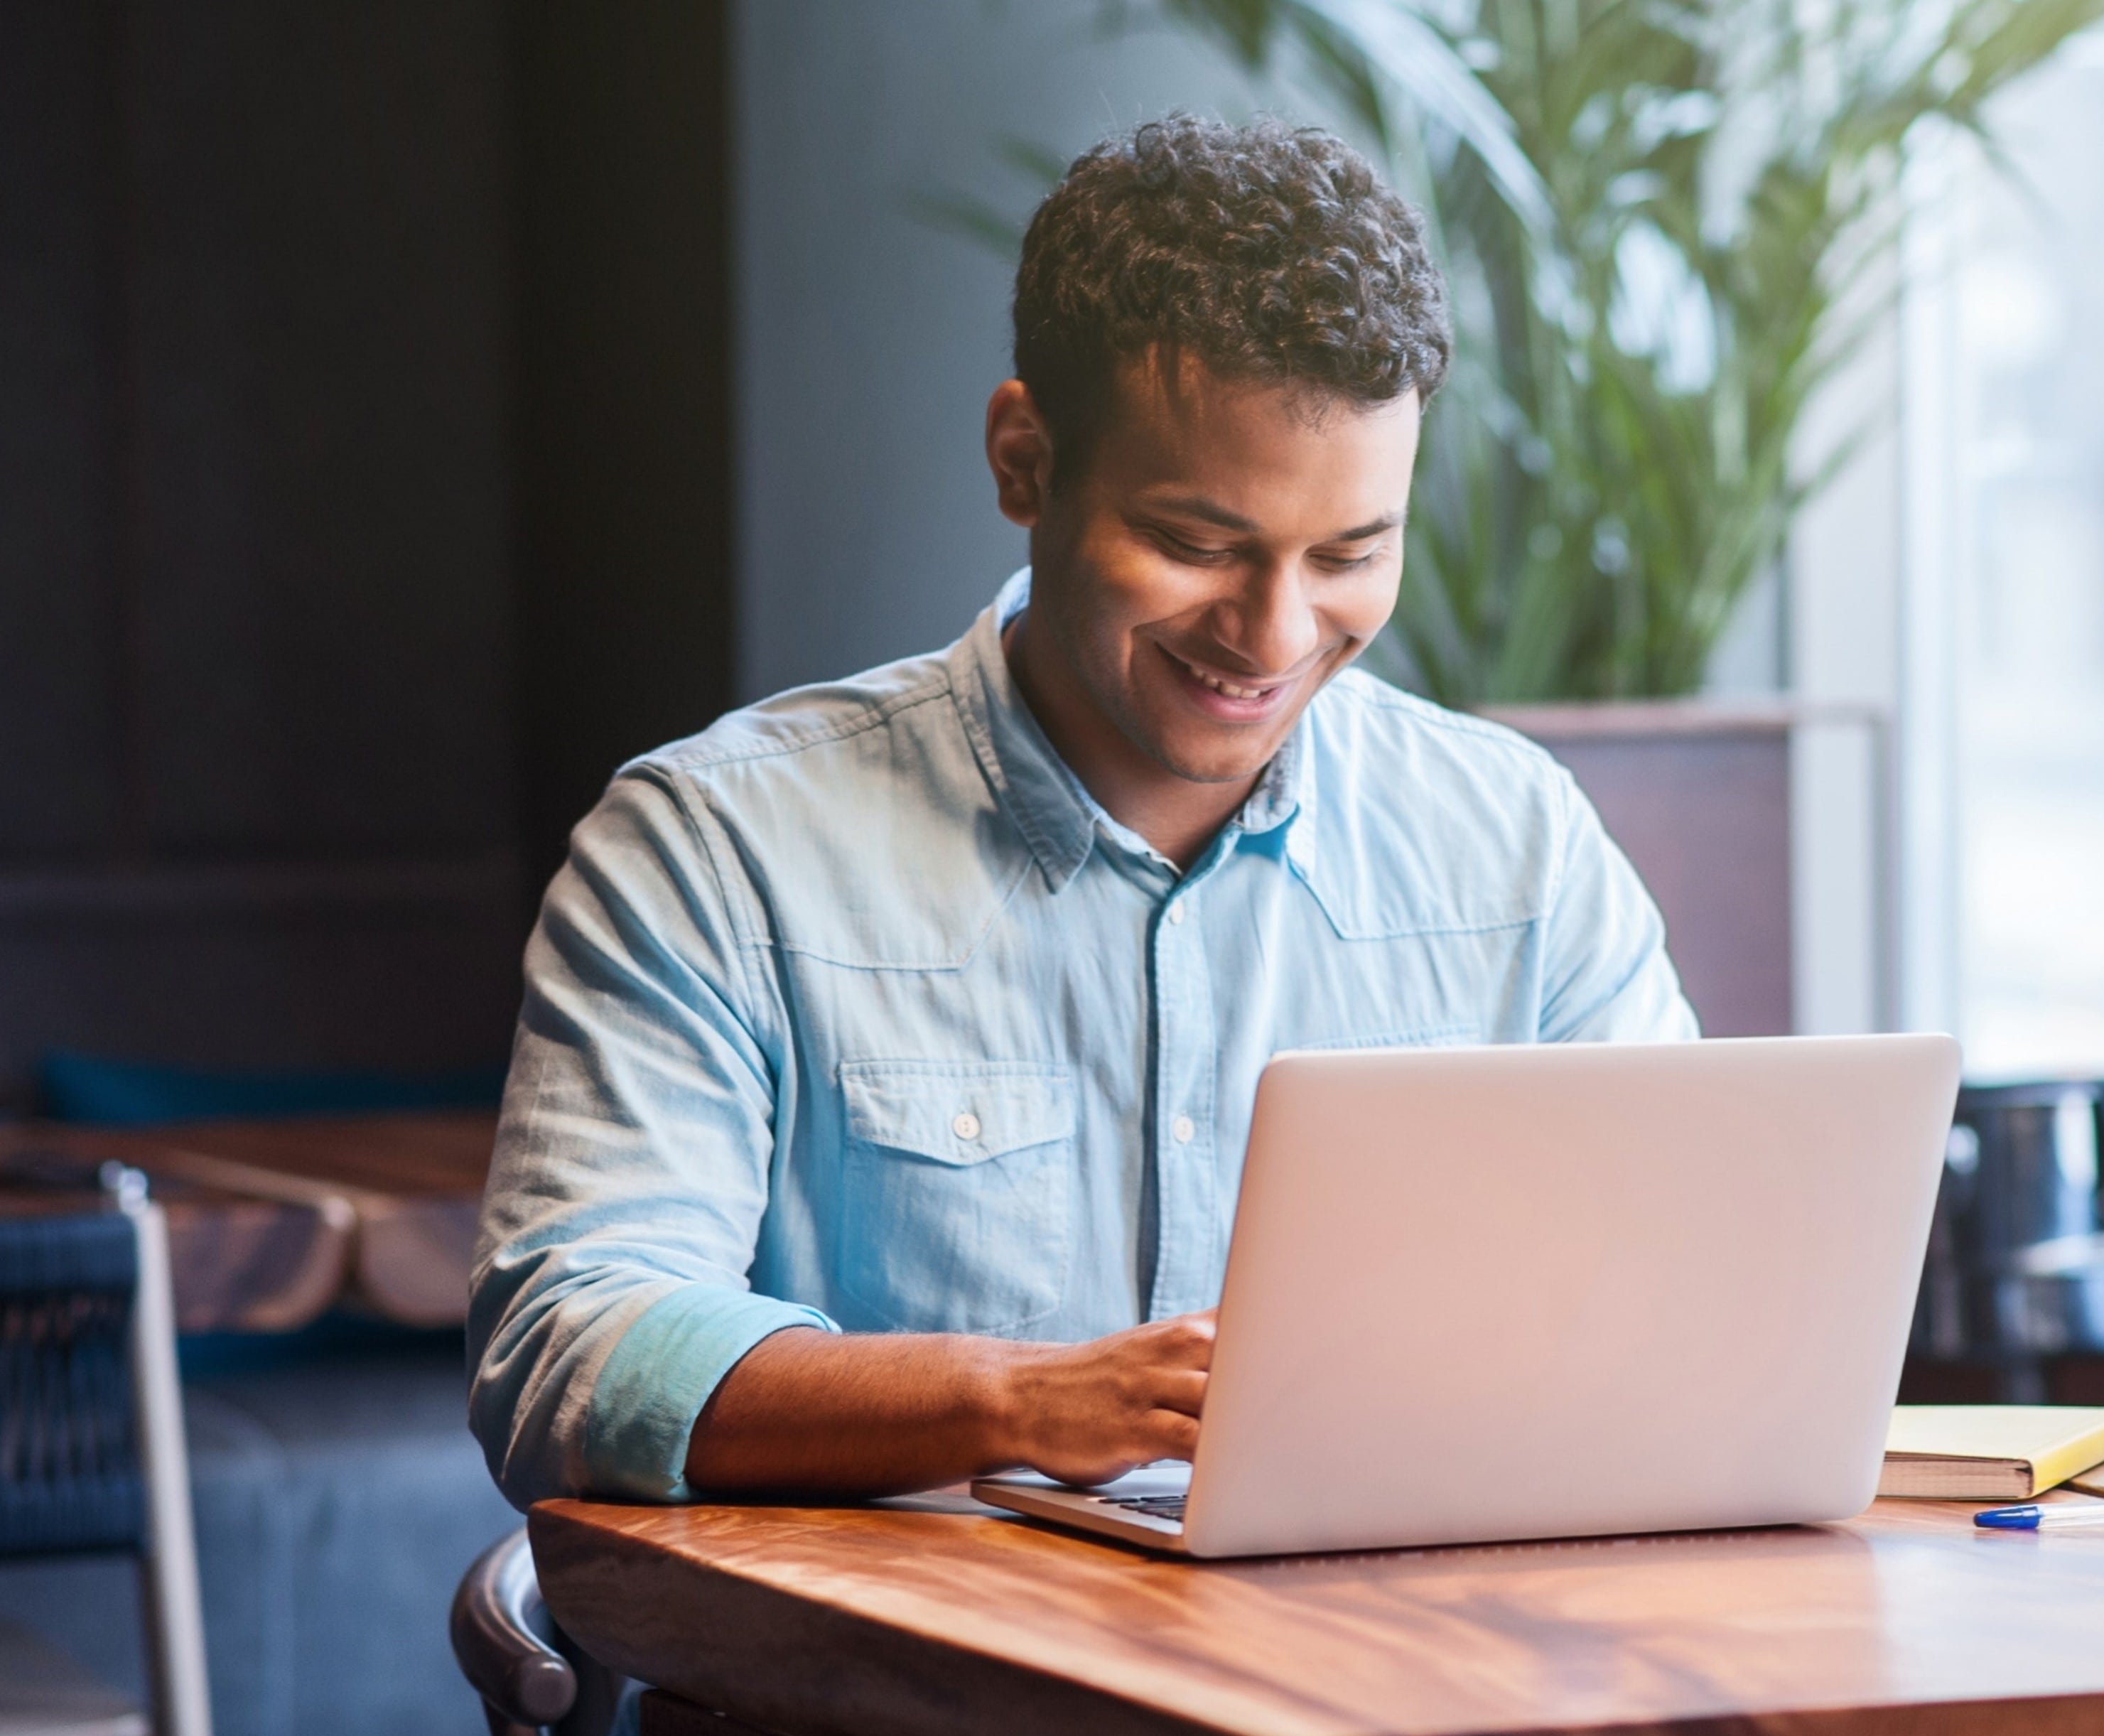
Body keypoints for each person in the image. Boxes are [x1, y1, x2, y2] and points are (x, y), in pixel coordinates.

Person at [468, 114, 1695, 1511]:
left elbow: (1683, 1300)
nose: (1273, 631)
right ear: (1023, 462)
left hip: (1388, 1688)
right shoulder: (715, 851)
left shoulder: (1516, 846)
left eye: (1350, 552)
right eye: (1196, 543)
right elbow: (571, 1350)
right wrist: (1020, 1401)